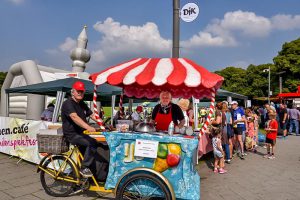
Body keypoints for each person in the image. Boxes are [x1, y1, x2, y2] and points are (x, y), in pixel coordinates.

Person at [61, 81, 99, 178]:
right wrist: (88, 127)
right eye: (78, 91)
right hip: (72, 134)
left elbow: (91, 115)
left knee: (94, 144)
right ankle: (84, 167)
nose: (80, 93)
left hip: (81, 133)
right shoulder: (68, 103)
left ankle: (77, 177)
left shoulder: (82, 103)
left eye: (82, 91)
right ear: (72, 92)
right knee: (91, 143)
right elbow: (74, 117)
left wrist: (103, 123)